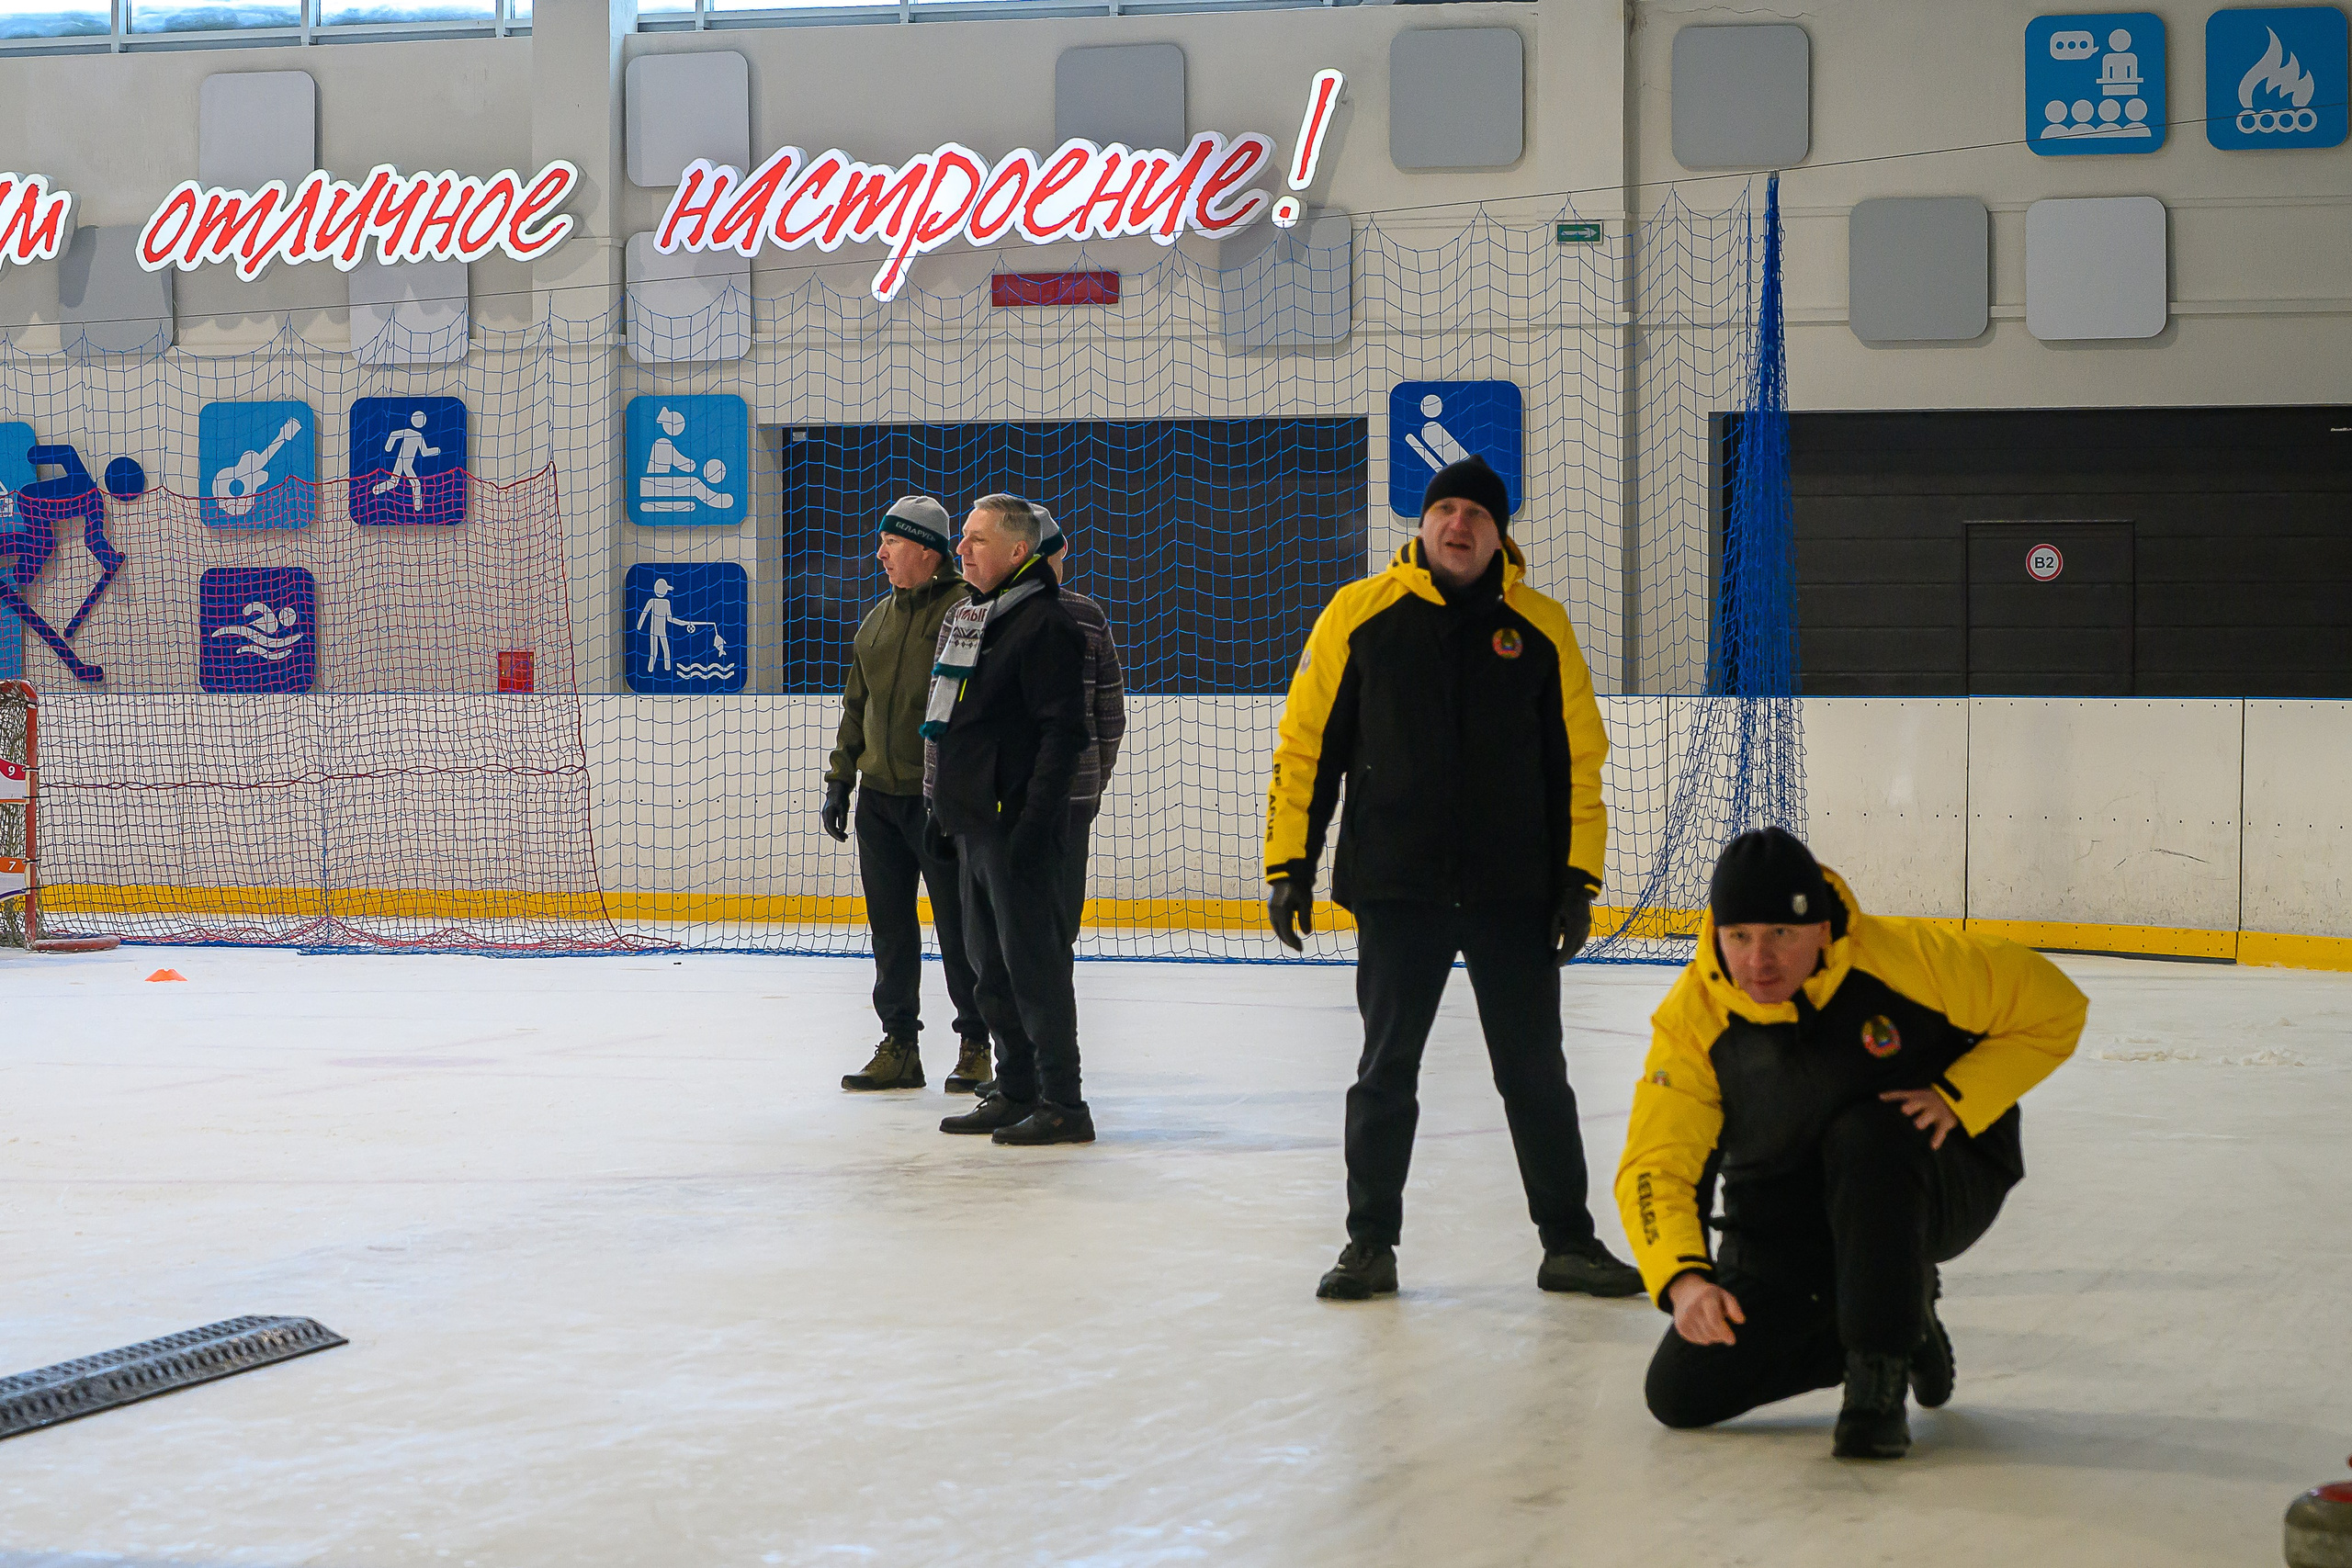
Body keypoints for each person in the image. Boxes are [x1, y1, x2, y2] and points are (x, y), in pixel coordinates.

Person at [1263, 454, 1643, 1303]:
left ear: (1499, 534)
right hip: (1400, 888)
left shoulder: (1541, 628)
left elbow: (1575, 761)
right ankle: (1370, 1243)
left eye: (1476, 513)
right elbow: (1308, 748)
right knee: (1385, 1068)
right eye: (1446, 511)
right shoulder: (1361, 615)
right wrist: (1290, 864)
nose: (1459, 525)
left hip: (1514, 893)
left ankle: (1569, 1242)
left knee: (1534, 1071)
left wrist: (1578, 877)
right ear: (1423, 524)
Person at [1619, 827, 2087, 1460]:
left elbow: (2055, 1005)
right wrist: (1683, 1280)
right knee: (1680, 1391)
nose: (1759, 959)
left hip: (1928, 1180)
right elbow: (1657, 1164)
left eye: (1781, 934)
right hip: (1790, 1216)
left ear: (1820, 929)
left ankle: (1877, 1380)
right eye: (1740, 937)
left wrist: (1958, 1093)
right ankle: (1903, 1313)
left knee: (1868, 1132)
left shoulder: (1907, 959)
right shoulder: (1692, 1021)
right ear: (1716, 934)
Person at [926, 494, 1094, 1146]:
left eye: (974, 539)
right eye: (962, 539)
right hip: (974, 823)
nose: (960, 549)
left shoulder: (1046, 625)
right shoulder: (979, 618)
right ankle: (1016, 1087)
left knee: (1034, 971)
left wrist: (1032, 825)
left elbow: (1065, 735)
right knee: (988, 967)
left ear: (1018, 552)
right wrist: (943, 807)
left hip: (1015, 828)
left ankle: (1064, 1101)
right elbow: (952, 725)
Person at [821, 496, 989, 1095]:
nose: (880, 554)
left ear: (925, 549)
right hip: (879, 802)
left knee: (959, 926)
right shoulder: (876, 620)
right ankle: (900, 1045)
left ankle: (975, 1043)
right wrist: (842, 779)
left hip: (940, 801)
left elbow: (978, 711)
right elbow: (855, 708)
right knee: (890, 929)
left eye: (890, 543)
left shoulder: (966, 614)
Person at [1032, 506, 1126, 935]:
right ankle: (1050, 999)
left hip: (1001, 797)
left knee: (1001, 920)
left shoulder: (978, 612)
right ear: (1059, 551)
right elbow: (1110, 715)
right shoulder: (1087, 615)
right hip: (1072, 792)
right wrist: (1094, 778)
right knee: (1061, 921)